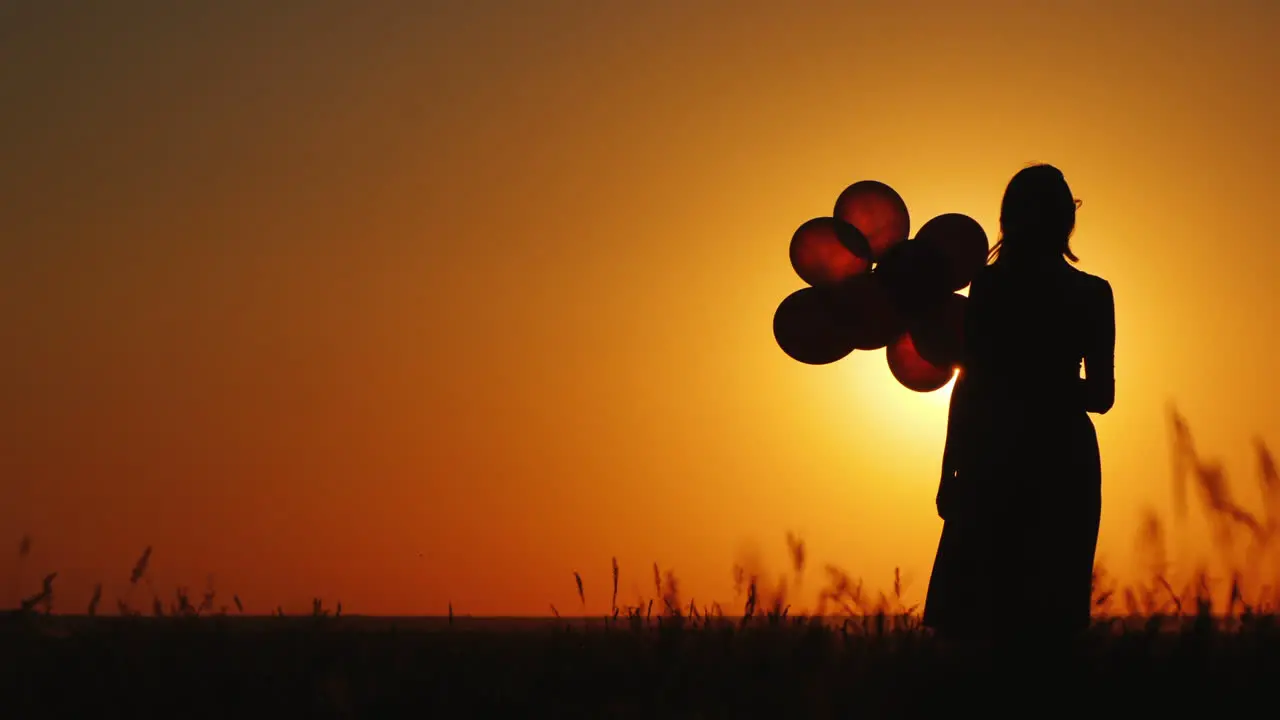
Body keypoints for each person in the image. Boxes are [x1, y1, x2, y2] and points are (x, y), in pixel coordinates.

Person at [921, 164, 1116, 661]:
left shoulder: (994, 287)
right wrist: (950, 471)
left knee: (985, 624)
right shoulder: (1089, 293)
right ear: (1065, 221)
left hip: (1004, 453)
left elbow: (971, 382)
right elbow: (1098, 396)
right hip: (1052, 457)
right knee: (1038, 622)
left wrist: (952, 469)